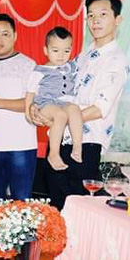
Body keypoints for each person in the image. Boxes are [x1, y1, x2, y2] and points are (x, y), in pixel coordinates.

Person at [32, 0, 129, 260]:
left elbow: (99, 108)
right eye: (91, 16)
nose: (95, 21)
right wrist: (40, 109)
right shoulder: (83, 55)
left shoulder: (116, 60)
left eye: (103, 15)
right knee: (60, 203)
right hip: (61, 139)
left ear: (117, 20)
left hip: (86, 143)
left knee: (79, 205)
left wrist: (58, 119)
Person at [0, 14, 37, 203]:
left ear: (15, 36)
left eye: (5, 34)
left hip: (21, 145)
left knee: (21, 202)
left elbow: (33, 104)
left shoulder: (28, 65)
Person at [25, 27, 82, 171]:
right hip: (46, 104)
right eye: (55, 50)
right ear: (46, 50)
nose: (61, 55)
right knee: (60, 115)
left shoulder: (71, 66)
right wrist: (28, 112)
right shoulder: (39, 71)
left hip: (65, 101)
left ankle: (77, 146)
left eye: (66, 51)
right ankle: (53, 154)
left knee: (75, 109)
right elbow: (30, 93)